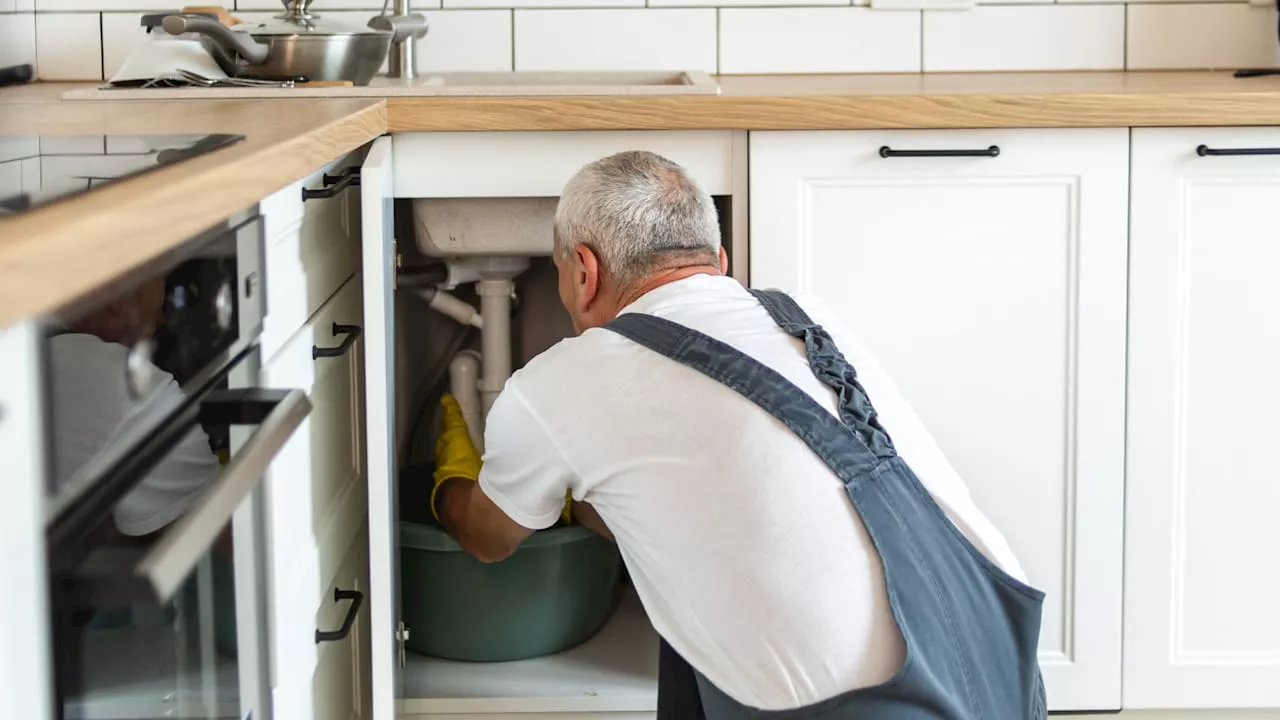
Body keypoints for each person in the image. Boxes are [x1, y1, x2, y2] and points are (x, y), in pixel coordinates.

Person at [431, 150, 1048, 719]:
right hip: (1001, 672)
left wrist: (450, 482)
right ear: (719, 264)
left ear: (584, 271)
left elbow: (490, 537)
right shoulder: (813, 321)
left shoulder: (562, 382)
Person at [48, 276, 221, 537]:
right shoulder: (122, 386)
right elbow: (230, 533)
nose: (162, 321)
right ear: (114, 303)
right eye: (153, 317)